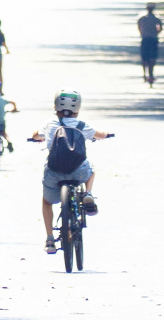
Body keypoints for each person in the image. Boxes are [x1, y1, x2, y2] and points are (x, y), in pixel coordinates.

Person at [29, 89, 109, 255]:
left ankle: (50, 238)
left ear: (55, 105)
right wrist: (106, 134)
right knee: (91, 169)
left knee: (46, 202)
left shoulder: (50, 123)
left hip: (53, 172)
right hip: (77, 171)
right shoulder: (82, 125)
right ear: (78, 108)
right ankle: (88, 193)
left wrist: (38, 137)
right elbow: (99, 134)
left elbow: (36, 135)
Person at [137, 3, 163, 85]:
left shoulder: (142, 18)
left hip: (145, 39)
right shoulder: (156, 18)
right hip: (153, 39)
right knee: (152, 57)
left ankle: (145, 74)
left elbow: (139, 26)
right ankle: (151, 74)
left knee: (144, 57)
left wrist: (142, 33)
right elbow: (160, 28)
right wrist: (156, 33)